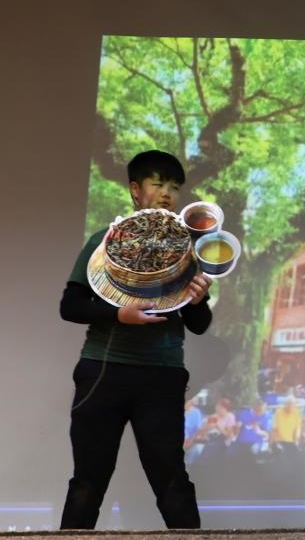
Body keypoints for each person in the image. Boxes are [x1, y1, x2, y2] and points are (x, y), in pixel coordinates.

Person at [59, 150, 213, 529]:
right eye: (158, 183)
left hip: (161, 376)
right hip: (103, 372)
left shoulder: (189, 249)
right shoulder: (104, 240)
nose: (167, 194)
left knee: (173, 484)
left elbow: (198, 323)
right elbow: (71, 305)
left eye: (174, 187)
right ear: (135, 190)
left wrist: (199, 298)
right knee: (87, 484)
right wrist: (118, 314)